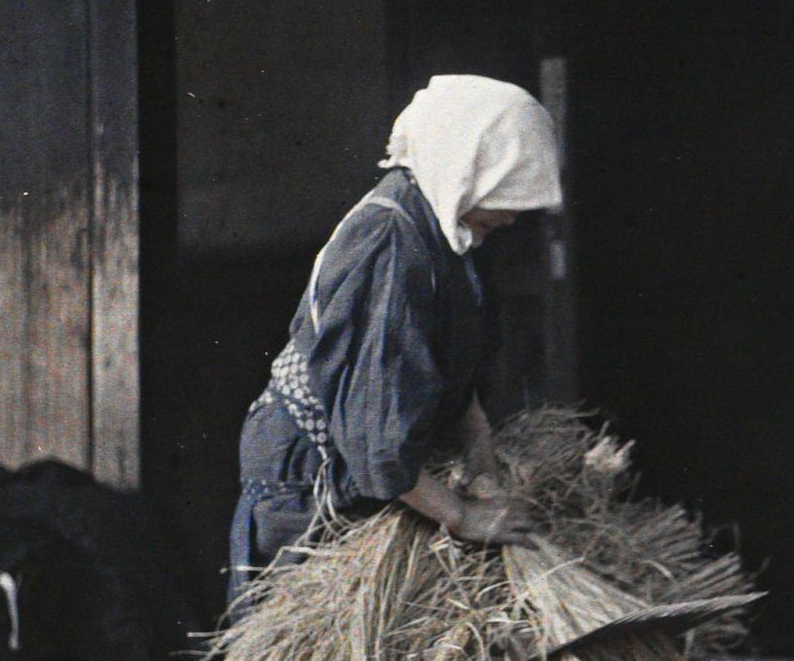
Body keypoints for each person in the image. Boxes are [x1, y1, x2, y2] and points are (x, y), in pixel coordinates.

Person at [226, 75, 563, 619]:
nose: (513, 216)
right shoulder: (391, 244)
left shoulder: (447, 233)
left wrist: (482, 461)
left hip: (370, 465)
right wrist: (464, 517)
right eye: (507, 193)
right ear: (467, 164)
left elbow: (456, 374)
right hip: (314, 477)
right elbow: (375, 442)